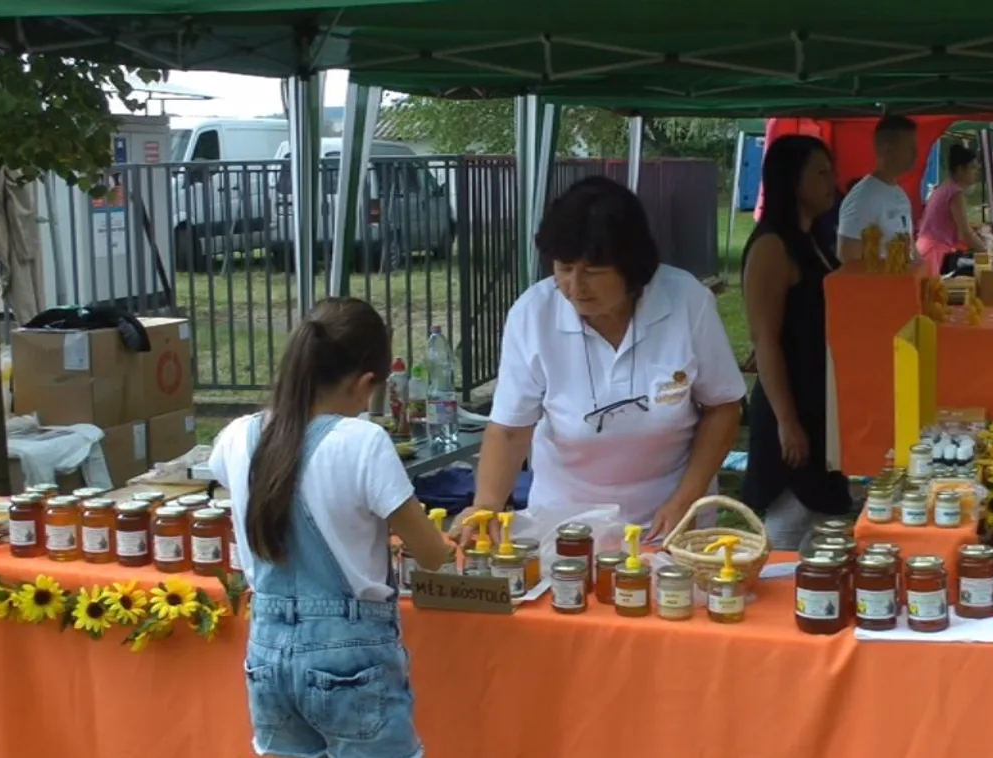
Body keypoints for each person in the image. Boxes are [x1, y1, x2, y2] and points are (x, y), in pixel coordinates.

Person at [209, 297, 448, 758]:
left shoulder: (237, 435)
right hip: (350, 655)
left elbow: (256, 482)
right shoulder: (363, 442)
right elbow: (433, 554)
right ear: (366, 384)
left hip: (268, 649)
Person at [452, 176, 746, 543]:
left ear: (632, 268)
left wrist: (686, 499)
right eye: (563, 268)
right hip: (564, 527)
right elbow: (510, 429)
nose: (575, 286)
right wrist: (486, 505)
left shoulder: (686, 301)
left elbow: (723, 407)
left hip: (671, 524)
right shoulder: (534, 314)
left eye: (593, 271)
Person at [741, 135, 851, 550]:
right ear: (792, 181)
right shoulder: (773, 245)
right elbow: (764, 340)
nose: (831, 181)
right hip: (790, 403)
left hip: (820, 401)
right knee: (788, 522)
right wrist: (787, 422)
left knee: (825, 520)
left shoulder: (815, 239)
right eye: (820, 173)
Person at [837, 115, 918, 262]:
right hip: (881, 285)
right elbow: (848, 258)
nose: (915, 154)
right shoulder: (863, 198)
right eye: (909, 148)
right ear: (887, 150)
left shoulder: (899, 193)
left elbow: (910, 248)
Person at [915, 144, 990, 275]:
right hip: (933, 252)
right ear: (960, 169)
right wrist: (988, 253)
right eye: (972, 168)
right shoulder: (955, 194)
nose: (976, 172)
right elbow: (965, 234)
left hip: (925, 248)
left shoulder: (945, 188)